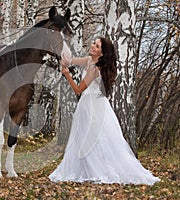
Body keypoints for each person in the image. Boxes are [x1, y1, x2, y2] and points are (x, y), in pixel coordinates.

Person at [49, 37, 160, 185]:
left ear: (102, 53)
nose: (93, 46)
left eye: (97, 45)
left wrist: (67, 74)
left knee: (96, 139)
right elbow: (73, 60)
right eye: (94, 43)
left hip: (92, 106)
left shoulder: (95, 69)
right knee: (85, 138)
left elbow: (78, 90)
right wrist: (64, 57)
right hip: (92, 104)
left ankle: (98, 169)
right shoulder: (90, 60)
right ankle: (86, 168)